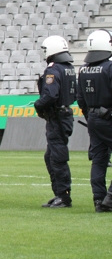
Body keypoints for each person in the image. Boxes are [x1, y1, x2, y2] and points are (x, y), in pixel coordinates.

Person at [34, 36, 77, 209]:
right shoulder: (69, 68)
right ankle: (59, 193)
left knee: (57, 157)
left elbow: (50, 95)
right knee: (50, 156)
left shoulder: (53, 70)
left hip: (57, 117)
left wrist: (38, 105)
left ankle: (63, 196)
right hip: (65, 114)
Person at [76, 29, 112, 213]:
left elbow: (80, 98)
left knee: (98, 160)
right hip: (109, 119)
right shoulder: (109, 68)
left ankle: (99, 200)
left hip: (92, 118)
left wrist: (90, 116)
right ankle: (110, 198)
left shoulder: (83, 69)